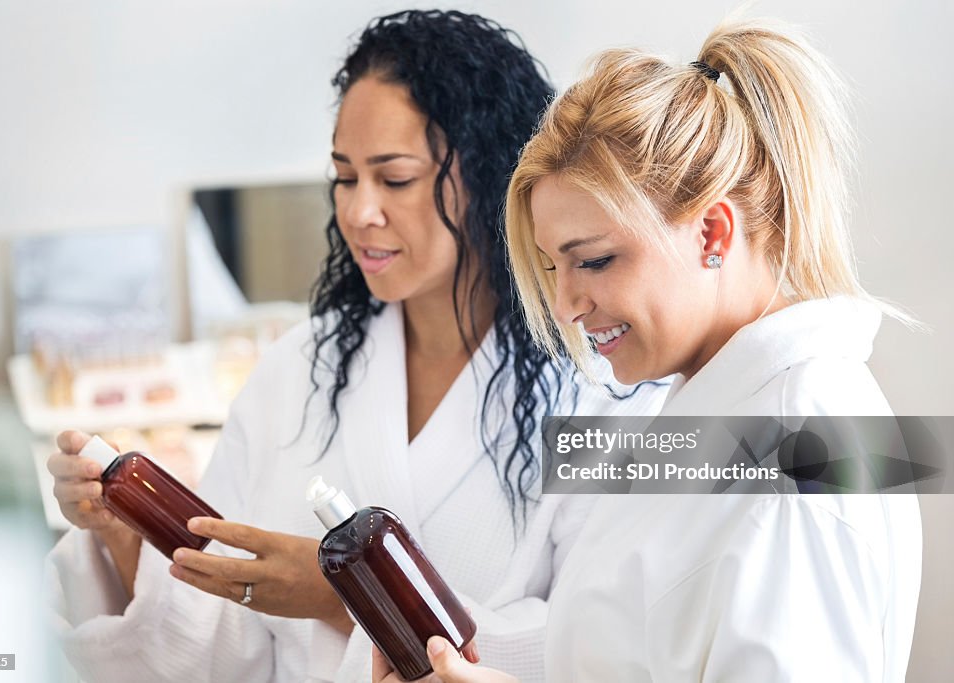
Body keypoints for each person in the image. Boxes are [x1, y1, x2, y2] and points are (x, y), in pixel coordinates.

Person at [45, 10, 667, 683]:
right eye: (345, 177)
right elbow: (218, 646)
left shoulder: (595, 386)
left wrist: (342, 593)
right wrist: (121, 531)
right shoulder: (299, 372)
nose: (359, 211)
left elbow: (603, 642)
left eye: (393, 179)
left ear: (489, 174)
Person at [376, 16, 922, 683]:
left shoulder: (803, 448)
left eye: (597, 260)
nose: (567, 306)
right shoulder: (710, 409)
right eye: (552, 267)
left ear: (713, 233)